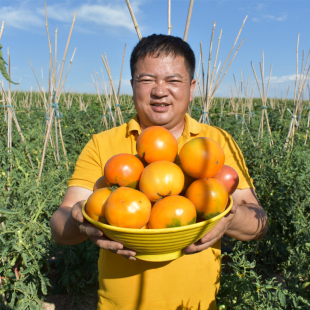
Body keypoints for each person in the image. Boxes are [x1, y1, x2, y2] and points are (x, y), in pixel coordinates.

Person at [50, 34, 268, 310]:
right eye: (147, 80)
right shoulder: (103, 145)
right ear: (132, 86)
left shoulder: (215, 144)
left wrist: (228, 217)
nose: (160, 90)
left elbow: (258, 220)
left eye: (173, 80)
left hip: (197, 305)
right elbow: (60, 225)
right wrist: (81, 217)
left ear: (191, 87)